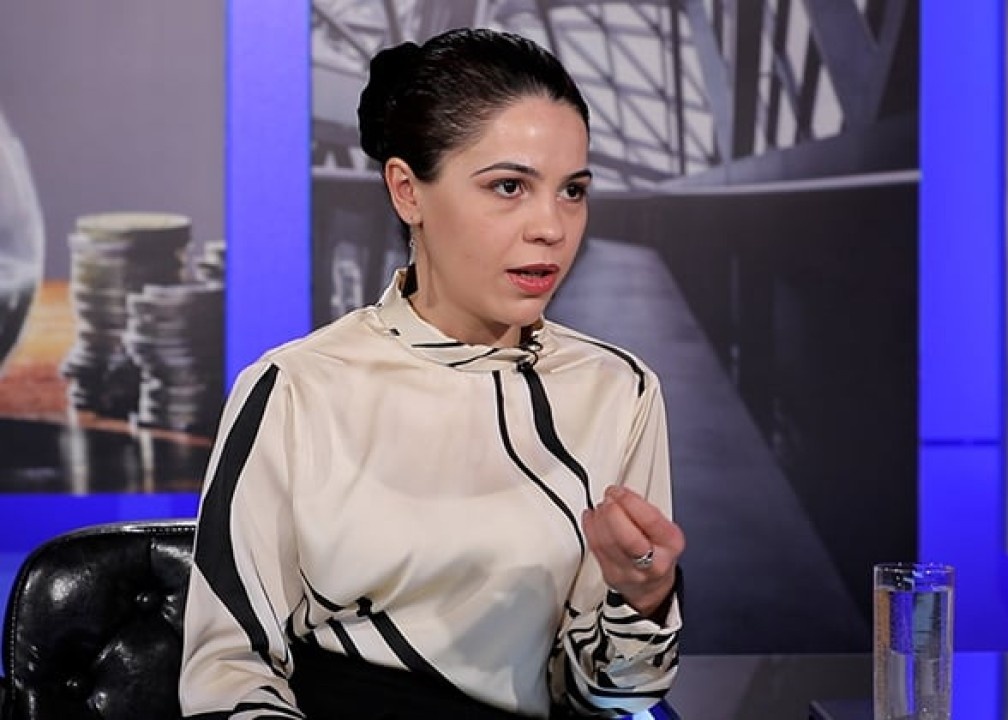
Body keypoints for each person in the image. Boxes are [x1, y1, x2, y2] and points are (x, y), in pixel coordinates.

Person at [179, 27, 685, 720]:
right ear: (407, 191)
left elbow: (615, 698)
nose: (551, 226)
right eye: (509, 186)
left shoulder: (617, 391)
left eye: (572, 191)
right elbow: (229, 673)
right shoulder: (296, 388)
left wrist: (643, 600)